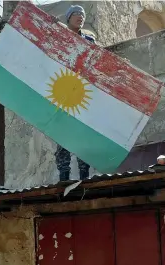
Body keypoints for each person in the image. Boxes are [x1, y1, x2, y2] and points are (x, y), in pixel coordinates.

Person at [55, 4, 95, 181]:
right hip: (63, 91)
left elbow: (98, 60)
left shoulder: (89, 41)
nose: (81, 17)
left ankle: (84, 174)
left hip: (82, 92)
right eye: (77, 14)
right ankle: (64, 175)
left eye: (83, 15)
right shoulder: (60, 38)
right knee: (63, 134)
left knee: (82, 135)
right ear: (69, 17)